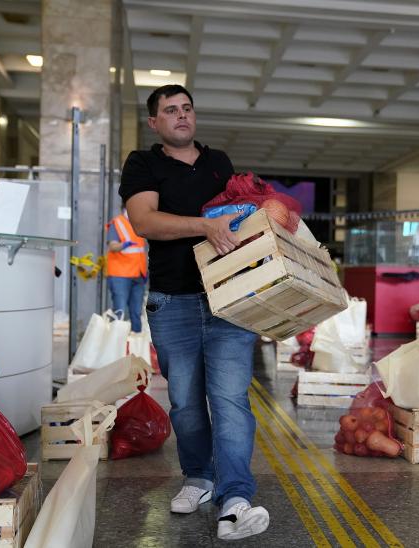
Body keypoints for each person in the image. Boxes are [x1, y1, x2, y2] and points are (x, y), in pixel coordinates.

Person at [119, 84, 269, 540]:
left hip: (227, 297)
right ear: (154, 123)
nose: (182, 116)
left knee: (229, 400)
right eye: (171, 110)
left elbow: (237, 216)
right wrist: (205, 226)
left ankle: (237, 497)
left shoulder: (218, 161)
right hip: (172, 301)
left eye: (187, 108)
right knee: (185, 403)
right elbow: (144, 221)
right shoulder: (142, 164)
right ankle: (199, 479)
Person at [105, 204, 147, 333]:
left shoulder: (139, 224)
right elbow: (112, 246)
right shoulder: (117, 223)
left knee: (136, 312)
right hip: (120, 274)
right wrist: (124, 245)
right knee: (120, 312)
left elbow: (141, 251)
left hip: (138, 274)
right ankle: (118, 346)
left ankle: (135, 347)